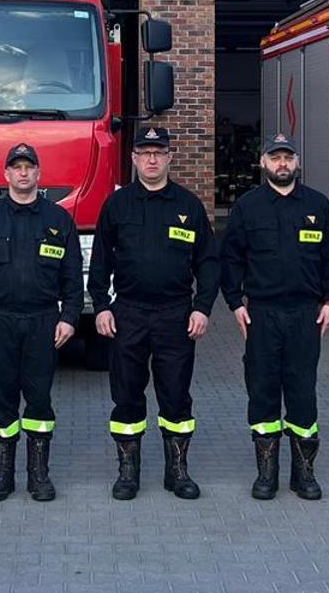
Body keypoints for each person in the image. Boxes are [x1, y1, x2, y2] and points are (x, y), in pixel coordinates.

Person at [89, 127, 218, 501]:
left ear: (169, 157)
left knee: (176, 396)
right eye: (144, 152)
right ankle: (128, 472)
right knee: (127, 395)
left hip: (175, 316)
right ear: (133, 158)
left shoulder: (188, 206)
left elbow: (208, 263)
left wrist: (203, 308)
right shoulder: (118, 206)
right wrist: (100, 306)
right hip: (128, 313)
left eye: (158, 153)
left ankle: (177, 471)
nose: (151, 159)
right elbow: (100, 261)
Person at [220, 133, 329, 501]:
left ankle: (304, 474)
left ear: (297, 163)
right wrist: (234, 303)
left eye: (288, 157)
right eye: (275, 158)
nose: (282, 164)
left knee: (302, 391)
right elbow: (231, 258)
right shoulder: (248, 206)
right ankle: (266, 474)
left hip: (306, 314)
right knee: (262, 391)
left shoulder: (318, 206)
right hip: (261, 314)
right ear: (263, 163)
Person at [0, 143, 82, 502]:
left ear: (39, 174)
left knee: (40, 400)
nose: (23, 173)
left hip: (44, 320)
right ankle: (2, 474)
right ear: (6, 174)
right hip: (0, 321)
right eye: (17, 167)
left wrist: (70, 318)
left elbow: (73, 278)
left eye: (30, 167)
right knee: (2, 400)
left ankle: (39, 474)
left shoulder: (58, 221)